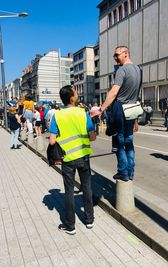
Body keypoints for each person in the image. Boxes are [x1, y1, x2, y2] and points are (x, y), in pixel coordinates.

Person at [49, 85, 96, 235]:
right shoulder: (83, 113)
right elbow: (93, 136)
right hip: (83, 156)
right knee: (86, 187)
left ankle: (70, 225)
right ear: (72, 98)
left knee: (69, 191)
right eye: (76, 92)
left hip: (67, 158)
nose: (77, 94)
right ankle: (89, 220)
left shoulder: (57, 115)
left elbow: (51, 141)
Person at [90, 45, 141, 181]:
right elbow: (136, 95)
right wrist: (136, 118)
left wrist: (101, 109)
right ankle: (130, 172)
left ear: (126, 53)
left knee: (119, 142)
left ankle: (123, 172)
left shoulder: (122, 70)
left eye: (117, 55)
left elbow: (113, 92)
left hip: (120, 109)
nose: (115, 58)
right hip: (132, 109)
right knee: (129, 142)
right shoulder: (138, 70)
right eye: (115, 55)